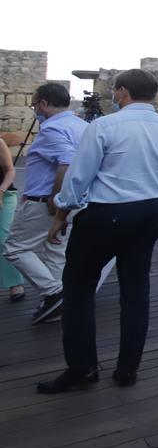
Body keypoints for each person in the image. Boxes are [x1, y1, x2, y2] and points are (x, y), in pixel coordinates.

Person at [37, 69, 158, 392]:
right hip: (149, 212)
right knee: (135, 290)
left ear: (123, 92)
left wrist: (61, 212)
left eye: (116, 92)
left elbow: (78, 178)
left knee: (78, 288)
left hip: (107, 214)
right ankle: (128, 368)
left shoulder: (104, 126)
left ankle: (82, 367)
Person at [5, 82, 86, 326]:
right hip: (75, 201)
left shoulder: (52, 129)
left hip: (45, 203)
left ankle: (53, 292)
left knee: (15, 248)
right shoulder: (83, 126)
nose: (34, 110)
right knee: (55, 251)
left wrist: (55, 198)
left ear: (43, 104)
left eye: (34, 105)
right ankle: (55, 304)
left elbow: (67, 162)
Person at [0, 138, 24, 303]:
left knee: (4, 239)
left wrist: (1, 190)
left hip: (5, 195)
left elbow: (10, 170)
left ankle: (15, 283)